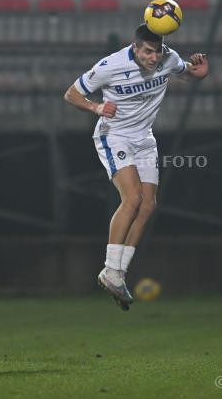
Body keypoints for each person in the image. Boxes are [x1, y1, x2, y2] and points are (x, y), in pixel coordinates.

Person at [64, 23, 209, 310]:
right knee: (132, 199)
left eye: (156, 52)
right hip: (113, 135)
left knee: (147, 206)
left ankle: (116, 273)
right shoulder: (111, 65)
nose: (153, 58)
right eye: (147, 52)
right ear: (135, 47)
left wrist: (198, 75)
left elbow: (187, 73)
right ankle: (110, 268)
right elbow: (71, 94)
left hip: (144, 139)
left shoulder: (168, 58)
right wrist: (95, 108)